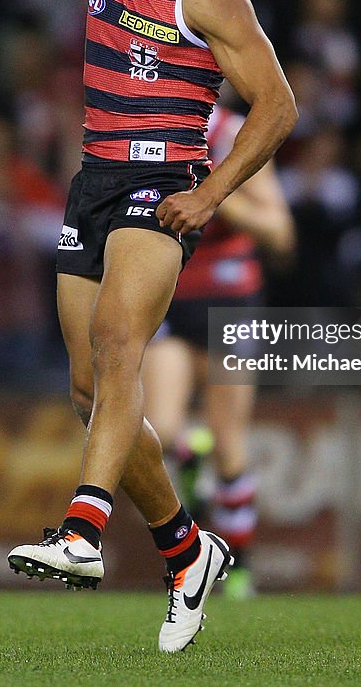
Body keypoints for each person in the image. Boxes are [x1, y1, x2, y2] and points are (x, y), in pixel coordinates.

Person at [0, 0, 297, 652]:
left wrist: (211, 190)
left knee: (120, 343)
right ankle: (188, 552)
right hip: (94, 181)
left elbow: (278, 105)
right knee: (91, 387)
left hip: (161, 185)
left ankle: (80, 530)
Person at [142, 102, 296, 599]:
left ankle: (240, 572)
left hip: (229, 296)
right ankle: (192, 459)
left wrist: (213, 194)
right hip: (169, 290)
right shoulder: (148, 126)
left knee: (231, 439)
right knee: (161, 429)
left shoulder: (232, 135)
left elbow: (279, 230)